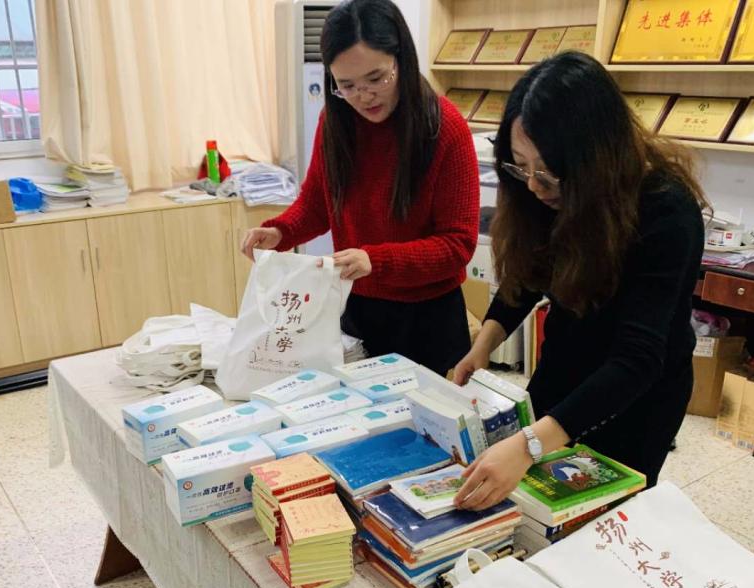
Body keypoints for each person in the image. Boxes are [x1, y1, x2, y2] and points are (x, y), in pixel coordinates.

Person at [452, 52, 706, 510]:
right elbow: (530, 274)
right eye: (520, 166)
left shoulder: (666, 210)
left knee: (602, 514)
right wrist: (484, 344)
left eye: (548, 171)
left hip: (637, 391)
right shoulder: (546, 195)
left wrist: (529, 445)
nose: (533, 186)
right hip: (566, 365)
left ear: (595, 159)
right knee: (532, 503)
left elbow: (637, 359)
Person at [240, 0, 479, 375]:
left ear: (401, 59)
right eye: (346, 85)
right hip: (356, 307)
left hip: (428, 320)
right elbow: (318, 204)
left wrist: (376, 261)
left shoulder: (444, 126)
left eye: (376, 78)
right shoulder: (336, 121)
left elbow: (457, 245)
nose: (364, 96)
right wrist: (281, 232)